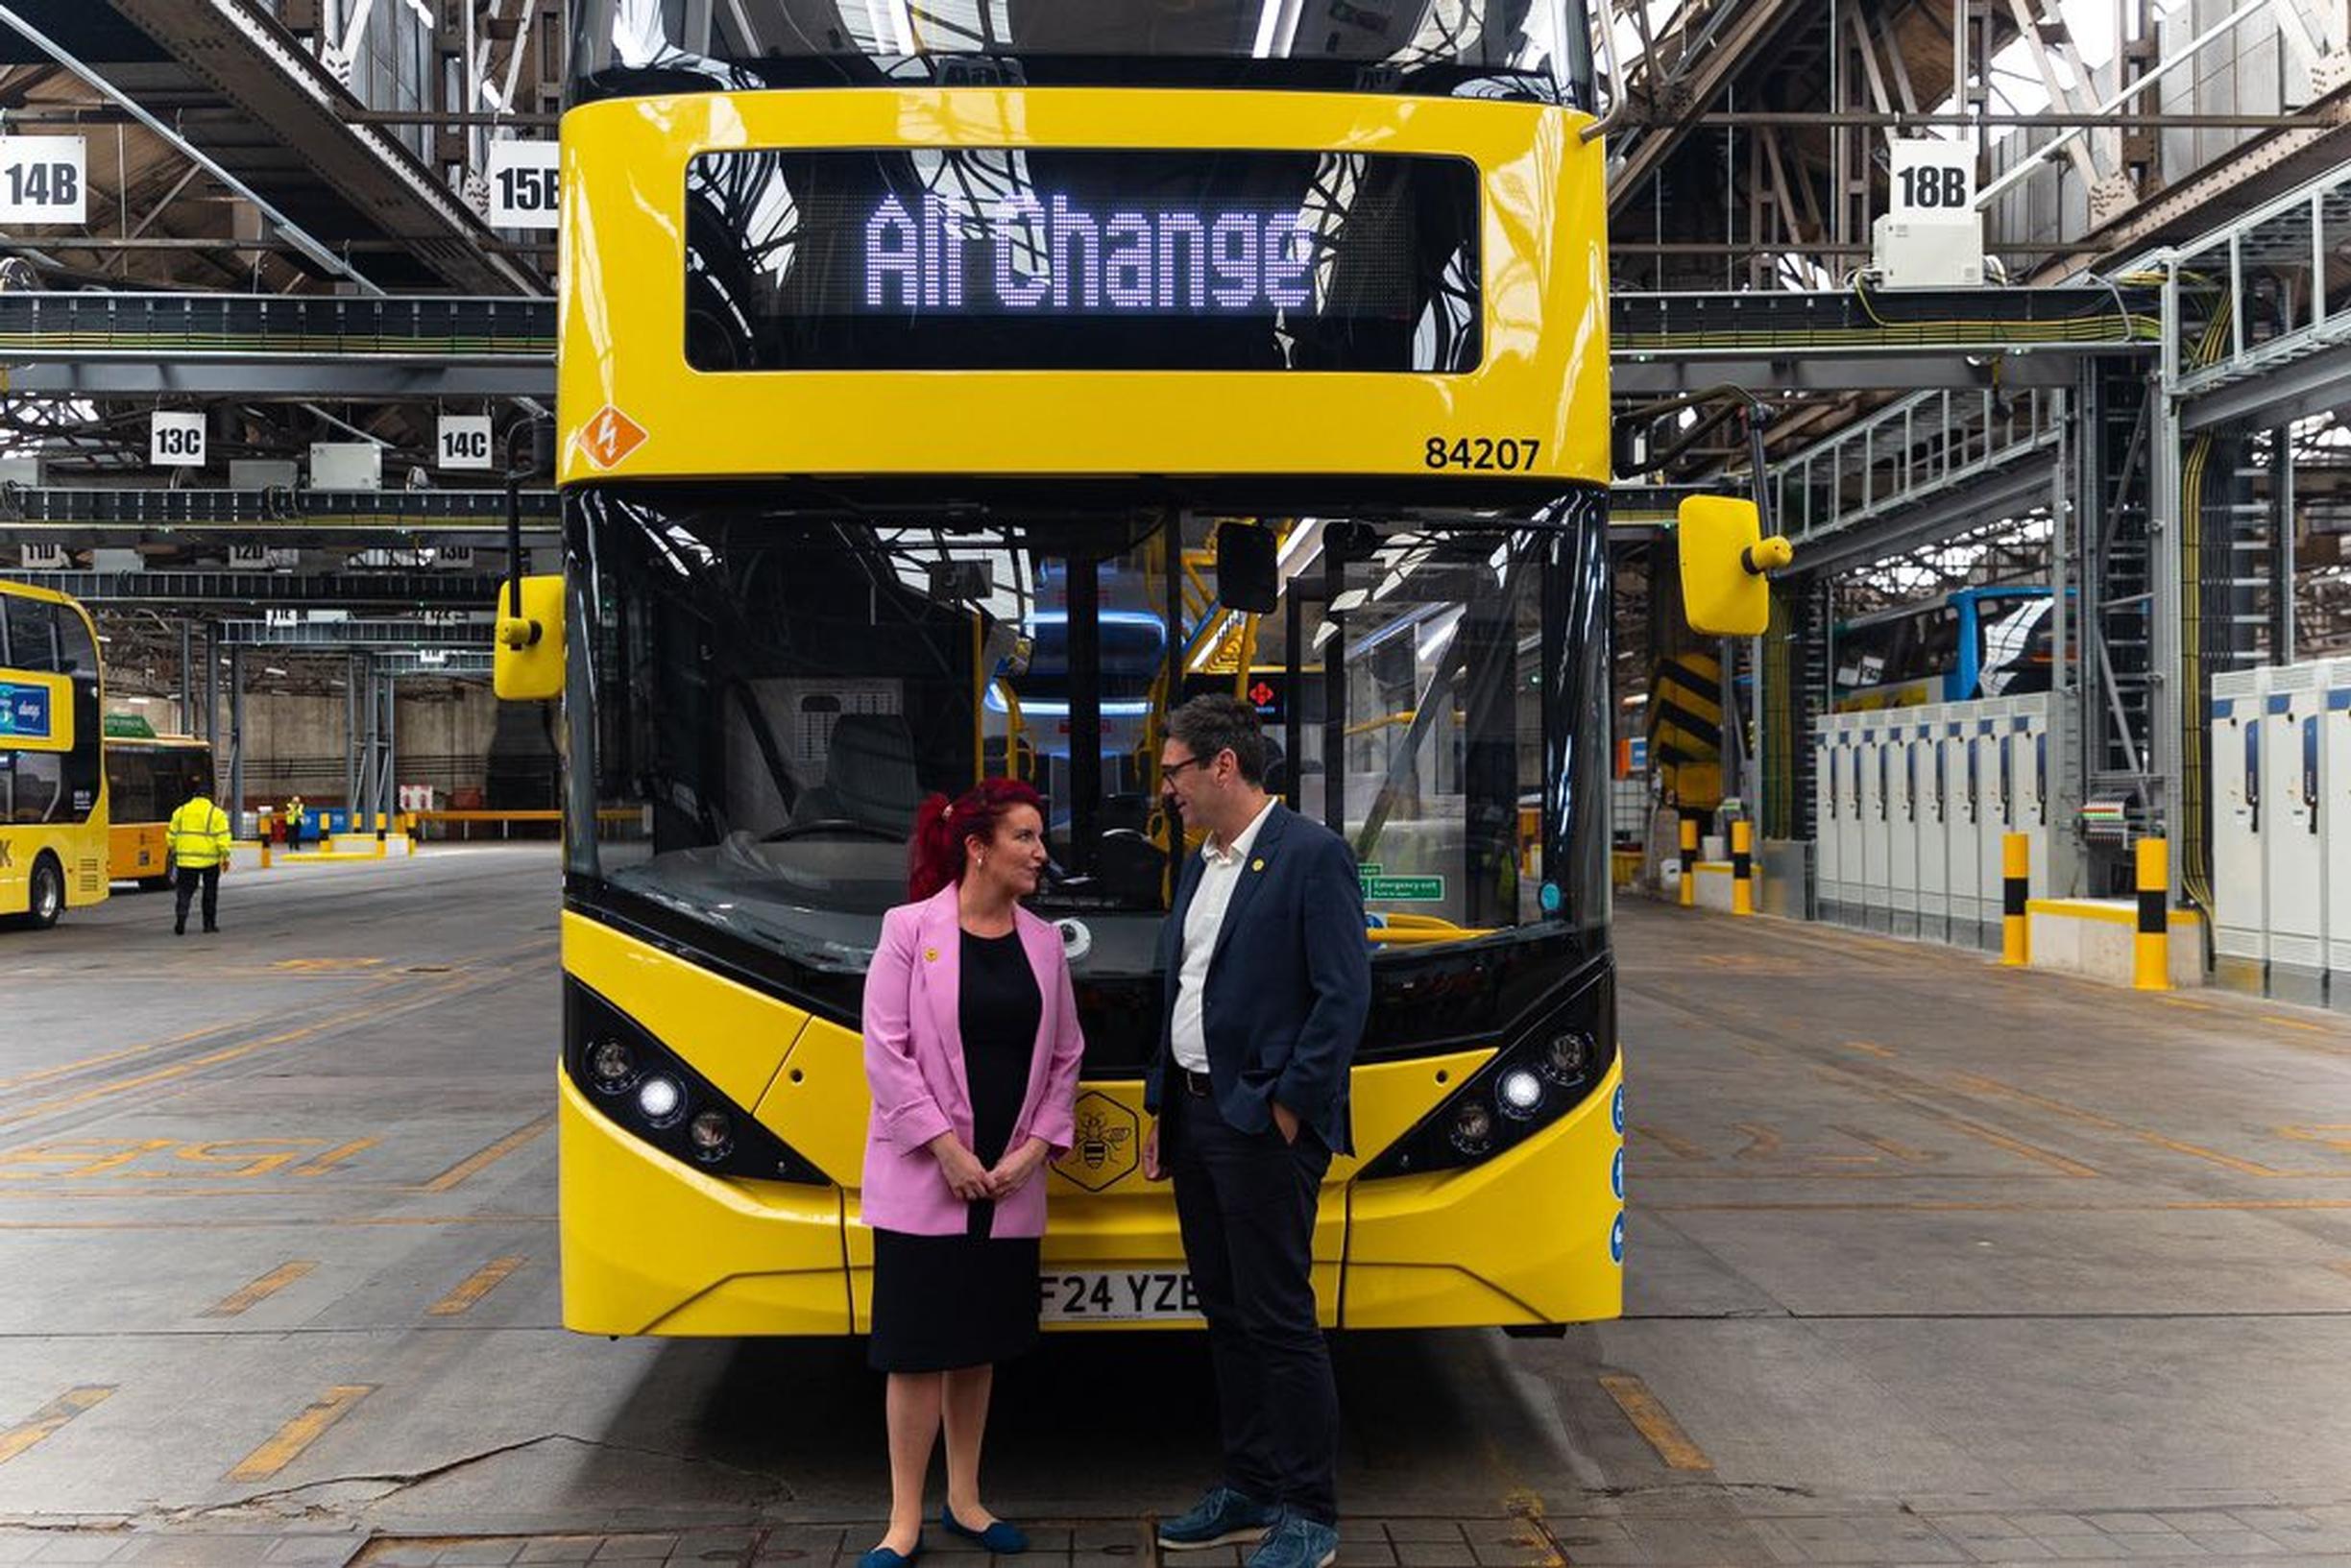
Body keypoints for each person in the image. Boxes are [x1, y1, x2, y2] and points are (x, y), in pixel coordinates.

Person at [1144, 694, 1370, 1568]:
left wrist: (1286, 1105)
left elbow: (1342, 995)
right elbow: (1184, 986)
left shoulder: (1311, 856)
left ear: (1222, 766)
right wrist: (1166, 1103)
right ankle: (1250, 1486)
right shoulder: (1201, 863)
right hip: (1200, 1120)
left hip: (1261, 1123)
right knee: (1227, 1312)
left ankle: (1309, 1510)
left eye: (1175, 771)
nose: (1168, 789)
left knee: (1279, 1318)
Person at [858, 778, 1086, 1568]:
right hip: (930, 1176)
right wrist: (947, 1151)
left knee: (977, 1346)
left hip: (1008, 1178)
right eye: (1025, 837)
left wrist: (1032, 1152)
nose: (1040, 852)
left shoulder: (1046, 942)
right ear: (978, 848)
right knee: (918, 1347)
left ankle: (965, 1498)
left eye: (1040, 837)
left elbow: (1067, 1057)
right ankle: (902, 1519)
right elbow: (884, 1052)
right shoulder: (906, 929)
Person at [166, 776, 232, 936]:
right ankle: (209, 925)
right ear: (209, 796)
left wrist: (175, 850)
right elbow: (223, 838)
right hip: (210, 861)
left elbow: (171, 836)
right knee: (209, 892)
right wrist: (225, 857)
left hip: (185, 861)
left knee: (185, 891)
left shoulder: (180, 811)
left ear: (194, 795)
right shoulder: (216, 814)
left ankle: (181, 919)